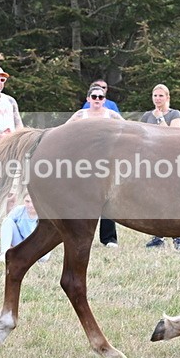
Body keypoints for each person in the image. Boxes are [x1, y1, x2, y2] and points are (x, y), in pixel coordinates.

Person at [67, 84, 124, 247]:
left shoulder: (111, 115)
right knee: (82, 198)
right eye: (94, 97)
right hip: (83, 161)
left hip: (106, 161)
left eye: (100, 97)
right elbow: (65, 131)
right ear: (88, 99)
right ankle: (79, 235)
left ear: (104, 100)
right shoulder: (80, 115)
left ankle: (109, 238)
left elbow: (127, 130)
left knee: (106, 198)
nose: (97, 100)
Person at [139, 84, 180, 250]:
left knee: (173, 200)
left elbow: (174, 136)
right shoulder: (146, 116)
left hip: (171, 162)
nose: (157, 99)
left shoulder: (174, 114)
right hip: (152, 161)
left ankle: (178, 237)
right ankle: (158, 236)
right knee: (155, 201)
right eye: (155, 95)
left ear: (167, 97)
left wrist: (159, 118)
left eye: (160, 96)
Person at [0, 193, 46, 265]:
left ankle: (22, 258)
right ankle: (4, 255)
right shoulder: (20, 210)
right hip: (22, 245)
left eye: (33, 201)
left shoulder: (44, 214)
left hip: (38, 249)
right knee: (7, 221)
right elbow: (6, 226)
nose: (30, 205)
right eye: (27, 201)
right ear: (23, 201)